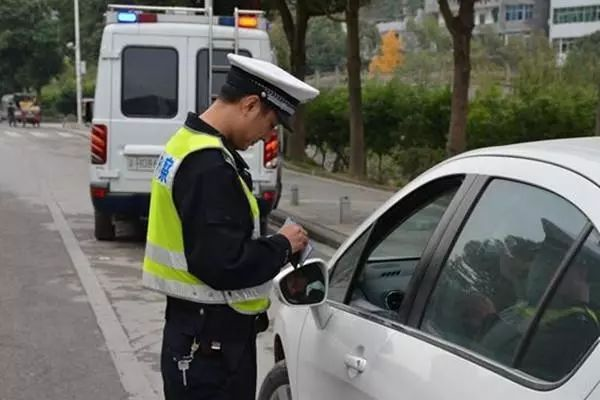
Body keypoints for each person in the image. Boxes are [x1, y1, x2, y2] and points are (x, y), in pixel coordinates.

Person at [143, 54, 319, 400]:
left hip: (198, 334)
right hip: (211, 345)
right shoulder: (209, 165)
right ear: (251, 105)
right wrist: (283, 244)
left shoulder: (189, 143)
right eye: (271, 125)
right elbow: (223, 263)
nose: (267, 136)